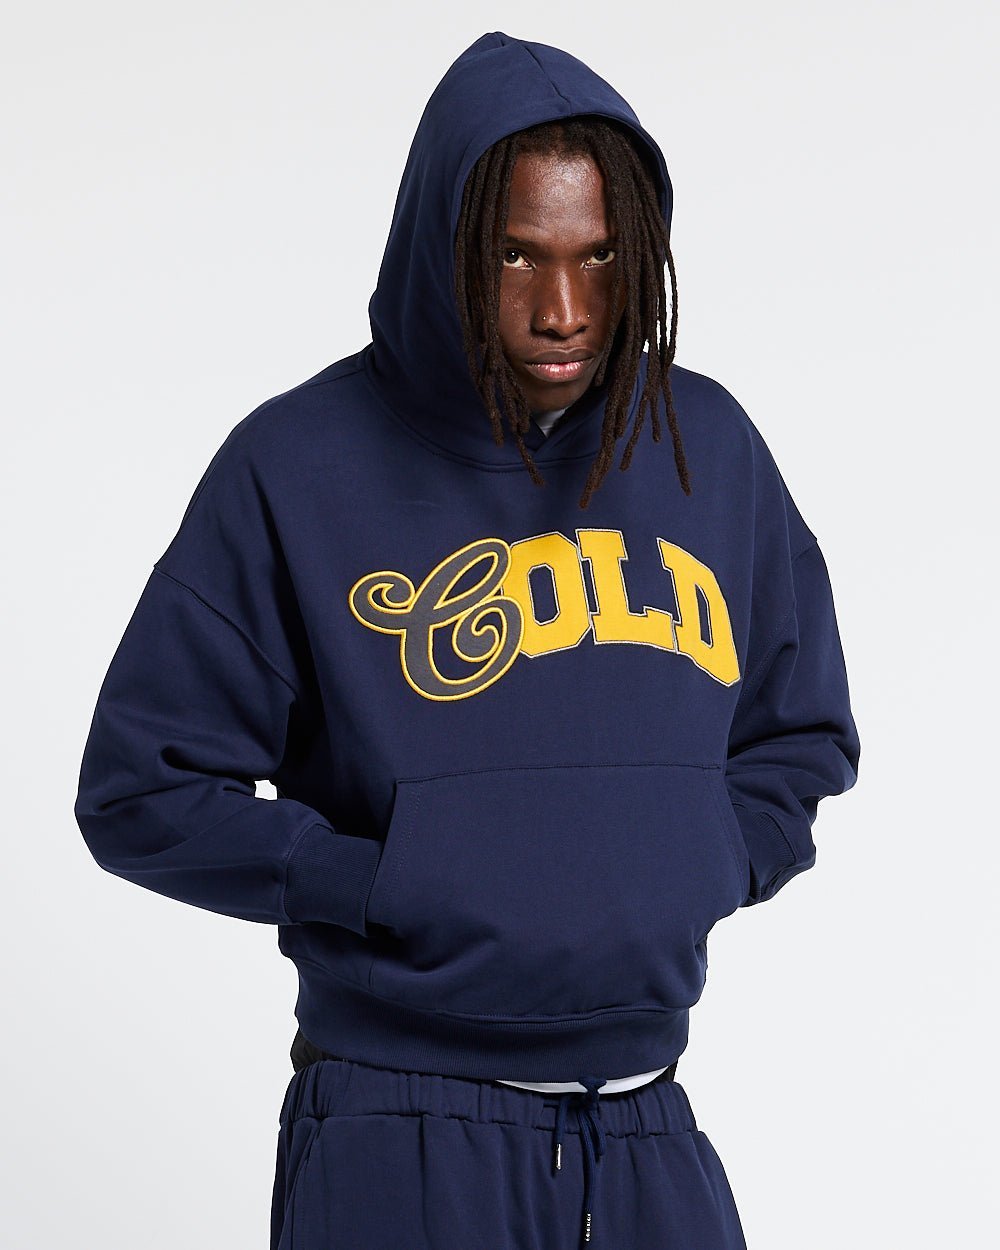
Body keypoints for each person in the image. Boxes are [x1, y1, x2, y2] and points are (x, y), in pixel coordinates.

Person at [74, 30, 861, 1249]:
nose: (563, 310)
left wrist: (699, 856)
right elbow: (140, 788)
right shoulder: (297, 465)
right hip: (399, 1126)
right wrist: (376, 880)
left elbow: (799, 734)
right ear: (442, 245)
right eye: (515, 254)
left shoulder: (704, 449)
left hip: (647, 1121)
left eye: (599, 257)